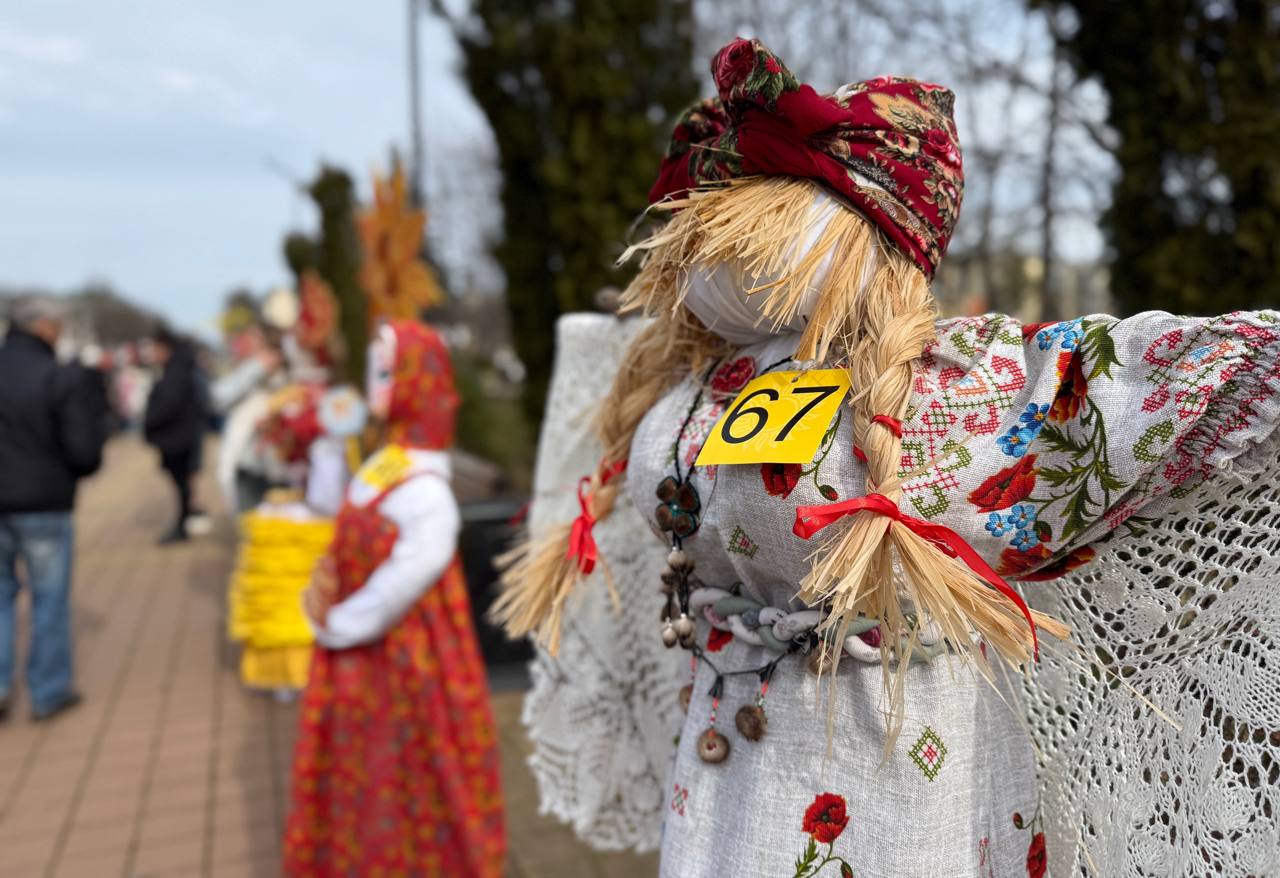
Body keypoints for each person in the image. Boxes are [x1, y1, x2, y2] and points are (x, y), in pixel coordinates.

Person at [494, 38, 1280, 876]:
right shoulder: (692, 384)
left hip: (890, 772)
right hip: (721, 773)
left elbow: (1133, 394)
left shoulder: (948, 388)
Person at [284, 320, 506, 877]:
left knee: (407, 775)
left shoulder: (426, 491)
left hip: (407, 664)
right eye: (374, 372)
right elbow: (338, 509)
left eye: (387, 372)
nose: (375, 385)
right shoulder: (388, 465)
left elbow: (408, 575)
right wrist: (334, 441)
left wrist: (339, 623)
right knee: (367, 777)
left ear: (417, 381)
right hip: (368, 656)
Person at [0, 295, 107, 721]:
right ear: (43, 326)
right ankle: (48, 690)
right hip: (43, 503)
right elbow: (83, 451)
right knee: (48, 599)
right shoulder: (58, 376)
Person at [143, 327, 209, 544]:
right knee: (183, 483)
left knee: (182, 483)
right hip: (180, 436)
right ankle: (185, 520)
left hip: (177, 438)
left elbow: (168, 405)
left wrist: (150, 422)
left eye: (155, 348)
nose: (153, 353)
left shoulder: (175, 372)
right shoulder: (181, 368)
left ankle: (183, 524)